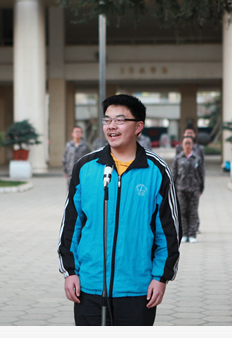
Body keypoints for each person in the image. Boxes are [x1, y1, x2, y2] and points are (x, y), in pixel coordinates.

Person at [57, 94, 181, 326]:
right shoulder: (85, 167)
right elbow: (72, 225)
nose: (111, 126)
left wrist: (161, 277)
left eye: (120, 120)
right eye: (107, 120)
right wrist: (70, 272)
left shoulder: (157, 170)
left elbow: (168, 231)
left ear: (138, 127)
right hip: (89, 286)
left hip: (137, 289)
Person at [173, 136, 204, 243]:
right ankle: (184, 234)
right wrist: (173, 189)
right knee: (182, 212)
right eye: (185, 143)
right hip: (181, 189)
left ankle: (192, 234)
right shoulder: (178, 158)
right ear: (182, 145)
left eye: (189, 143)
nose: (187, 145)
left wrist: (201, 188)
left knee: (193, 212)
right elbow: (174, 175)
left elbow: (201, 174)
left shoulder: (197, 158)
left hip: (194, 188)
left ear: (192, 145)